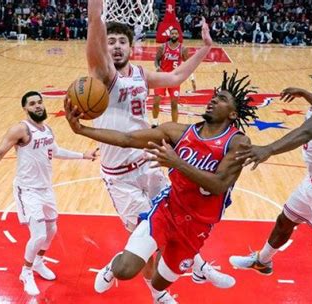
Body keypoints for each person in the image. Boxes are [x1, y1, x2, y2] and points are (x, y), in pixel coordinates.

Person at [65, 70, 257, 302]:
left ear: (233, 114)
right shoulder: (177, 132)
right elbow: (127, 139)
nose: (214, 99)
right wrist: (81, 130)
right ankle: (113, 267)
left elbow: (218, 185)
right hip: (166, 211)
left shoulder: (238, 142)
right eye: (214, 96)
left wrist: (177, 162)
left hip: (197, 227)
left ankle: (192, 274)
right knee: (126, 270)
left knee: (158, 281)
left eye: (222, 99)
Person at [85, 0, 233, 302]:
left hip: (148, 161)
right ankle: (153, 283)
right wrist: (95, 10)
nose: (115, 46)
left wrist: (205, 47)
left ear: (131, 46)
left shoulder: (140, 74)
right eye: (110, 41)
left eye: (122, 42)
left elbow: (177, 77)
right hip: (120, 176)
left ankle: (177, 279)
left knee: (176, 222)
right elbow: (94, 23)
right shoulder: (102, 74)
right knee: (148, 232)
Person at [229, 52, 312, 304]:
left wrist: (268, 149)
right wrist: (304, 93)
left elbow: (307, 131)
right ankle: (263, 261)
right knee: (284, 221)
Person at [0, 91, 95, 296]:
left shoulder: (47, 129)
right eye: (33, 104)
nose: (38, 106)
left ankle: (38, 262)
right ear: (25, 108)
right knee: (38, 235)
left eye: (40, 102)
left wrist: (84, 155)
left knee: (52, 230)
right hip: (27, 190)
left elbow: (56, 151)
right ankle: (25, 272)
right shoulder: (20, 129)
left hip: (46, 189)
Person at [152, 28, 197, 127]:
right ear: (170, 34)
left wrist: (192, 79)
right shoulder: (163, 47)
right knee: (156, 102)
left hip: (174, 79)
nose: (174, 35)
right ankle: (154, 122)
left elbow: (188, 64)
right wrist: (158, 67)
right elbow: (156, 60)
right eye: (172, 33)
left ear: (178, 35)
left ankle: (174, 125)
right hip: (162, 78)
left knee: (174, 104)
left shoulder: (183, 49)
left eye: (176, 33)